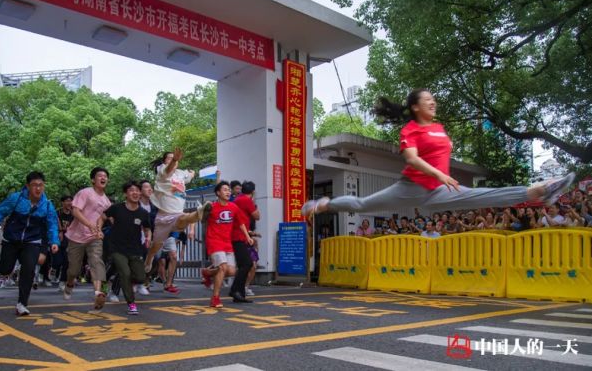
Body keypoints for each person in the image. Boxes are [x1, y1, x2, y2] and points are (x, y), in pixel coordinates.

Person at [302, 89, 575, 217]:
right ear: (415, 107)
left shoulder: (439, 128)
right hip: (411, 189)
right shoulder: (411, 129)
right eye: (427, 100)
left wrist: (442, 178)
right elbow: (412, 159)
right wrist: (439, 174)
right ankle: (324, 204)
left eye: (433, 99)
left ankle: (539, 191)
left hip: (439, 191)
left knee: (483, 196)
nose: (433, 102)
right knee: (363, 205)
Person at [0, 172, 59, 315]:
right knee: (5, 269)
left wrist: (54, 242)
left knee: (29, 269)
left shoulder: (47, 205)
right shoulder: (16, 199)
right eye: (34, 185)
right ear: (28, 186)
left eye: (41, 185)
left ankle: (22, 304)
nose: (38, 188)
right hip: (11, 240)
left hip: (32, 241)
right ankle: (4, 269)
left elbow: (52, 225)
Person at [144, 148, 212, 273]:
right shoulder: (162, 170)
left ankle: (200, 212)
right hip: (163, 216)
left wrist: (192, 173)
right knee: (157, 245)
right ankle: (149, 258)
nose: (172, 160)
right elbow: (168, 169)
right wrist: (174, 160)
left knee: (184, 218)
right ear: (164, 161)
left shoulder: (180, 173)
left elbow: (188, 176)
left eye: (174, 158)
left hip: (177, 214)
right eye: (169, 158)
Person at [98, 180, 151, 315]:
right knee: (125, 273)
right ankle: (131, 304)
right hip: (117, 248)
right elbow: (102, 217)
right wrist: (98, 230)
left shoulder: (143, 213)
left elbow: (147, 228)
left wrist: (148, 237)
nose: (135, 193)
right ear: (125, 194)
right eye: (131, 190)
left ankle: (106, 281)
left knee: (140, 277)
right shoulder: (117, 208)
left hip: (135, 249)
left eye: (137, 190)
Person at [63, 167, 111, 310]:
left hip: (93, 237)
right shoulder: (85, 193)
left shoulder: (107, 201)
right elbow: (75, 211)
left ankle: (99, 292)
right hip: (76, 236)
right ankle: (69, 283)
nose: (103, 178)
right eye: (100, 176)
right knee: (74, 270)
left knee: (97, 261)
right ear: (93, 180)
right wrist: (90, 225)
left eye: (105, 176)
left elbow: (102, 217)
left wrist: (98, 230)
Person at [200, 181, 244, 307]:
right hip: (214, 241)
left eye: (229, 190)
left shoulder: (233, 207)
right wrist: (192, 230)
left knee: (231, 271)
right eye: (225, 190)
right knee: (223, 267)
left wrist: (248, 236)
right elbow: (198, 216)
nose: (228, 192)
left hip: (227, 242)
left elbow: (241, 223)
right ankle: (215, 298)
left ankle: (207, 273)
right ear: (218, 193)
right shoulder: (211, 207)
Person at [231, 181, 258, 302]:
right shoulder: (246, 200)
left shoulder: (238, 199)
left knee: (244, 264)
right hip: (238, 236)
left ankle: (239, 294)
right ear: (253, 192)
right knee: (247, 263)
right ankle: (235, 290)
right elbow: (257, 216)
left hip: (241, 234)